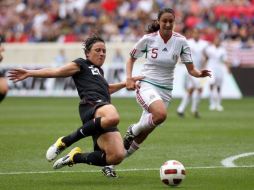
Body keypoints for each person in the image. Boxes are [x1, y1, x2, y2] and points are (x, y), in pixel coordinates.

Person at [102, 8, 211, 177]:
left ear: (174, 22)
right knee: (160, 115)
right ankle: (133, 129)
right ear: (159, 22)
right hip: (147, 85)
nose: (167, 24)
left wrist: (199, 73)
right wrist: (129, 78)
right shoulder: (148, 39)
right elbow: (131, 58)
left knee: (143, 135)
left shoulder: (181, 41)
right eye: (164, 21)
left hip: (166, 91)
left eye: (171, 21)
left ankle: (110, 164)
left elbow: (191, 69)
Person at [8, 35, 143, 171]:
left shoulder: (99, 71)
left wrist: (126, 83)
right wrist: (30, 73)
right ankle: (66, 141)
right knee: (113, 117)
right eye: (98, 50)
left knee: (117, 156)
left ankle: (75, 157)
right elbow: (56, 71)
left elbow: (106, 89)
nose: (102, 54)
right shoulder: (81, 64)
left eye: (104, 51)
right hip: (91, 105)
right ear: (87, 53)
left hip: (102, 110)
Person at [177, 28, 209, 118]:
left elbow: (207, 56)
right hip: (190, 69)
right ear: (192, 34)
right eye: (194, 33)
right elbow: (182, 53)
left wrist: (204, 65)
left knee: (191, 90)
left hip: (199, 70)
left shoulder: (204, 44)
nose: (196, 35)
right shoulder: (188, 42)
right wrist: (181, 60)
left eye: (198, 33)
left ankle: (181, 109)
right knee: (199, 89)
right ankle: (194, 110)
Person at [204, 36, 230, 111]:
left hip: (219, 69)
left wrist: (228, 68)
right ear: (214, 41)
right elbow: (205, 57)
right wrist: (204, 66)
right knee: (211, 84)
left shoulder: (222, 50)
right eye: (216, 40)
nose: (217, 42)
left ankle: (218, 104)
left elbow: (225, 60)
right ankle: (212, 103)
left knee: (218, 87)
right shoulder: (209, 49)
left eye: (218, 40)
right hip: (211, 68)